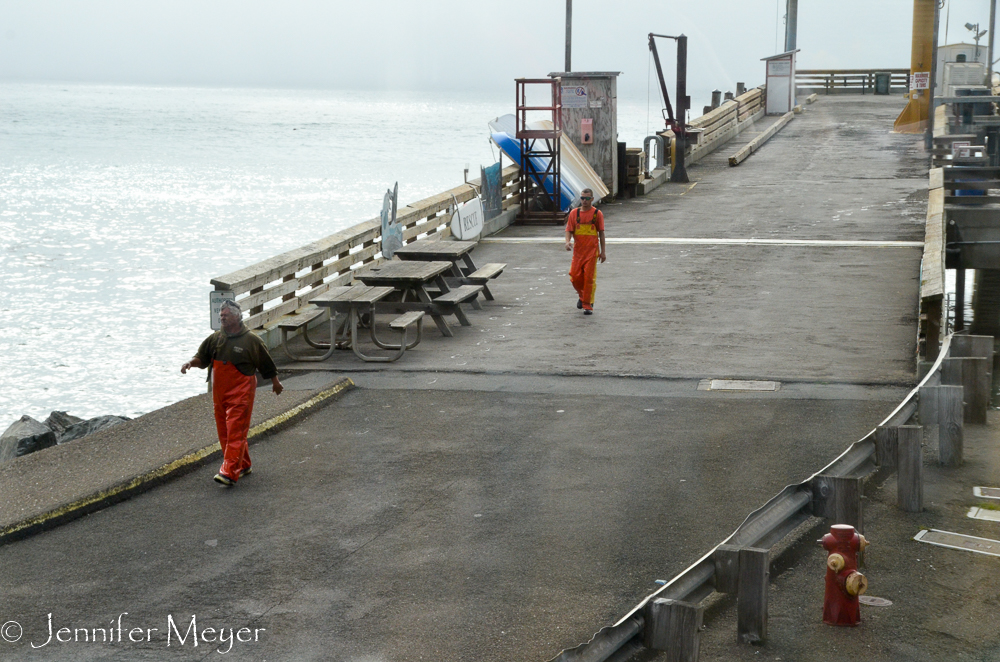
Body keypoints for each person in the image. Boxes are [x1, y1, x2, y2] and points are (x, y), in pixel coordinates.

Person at [181, 300, 283, 487]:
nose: (222, 317)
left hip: (241, 393)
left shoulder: (251, 340)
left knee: (236, 430)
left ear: (237, 317)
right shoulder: (215, 339)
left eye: (226, 314)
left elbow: (266, 364)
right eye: (221, 314)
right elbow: (202, 358)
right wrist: (190, 363)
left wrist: (275, 383)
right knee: (225, 432)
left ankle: (229, 472)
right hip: (219, 394)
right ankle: (243, 464)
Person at [564, 188, 607, 315]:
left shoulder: (597, 214)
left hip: (592, 253)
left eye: (587, 198)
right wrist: (567, 242)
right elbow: (569, 230)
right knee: (574, 277)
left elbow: (601, 234)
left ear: (592, 199)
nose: (584, 201)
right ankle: (582, 297)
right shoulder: (574, 214)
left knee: (589, 279)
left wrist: (603, 252)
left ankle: (588, 305)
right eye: (582, 198)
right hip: (578, 253)